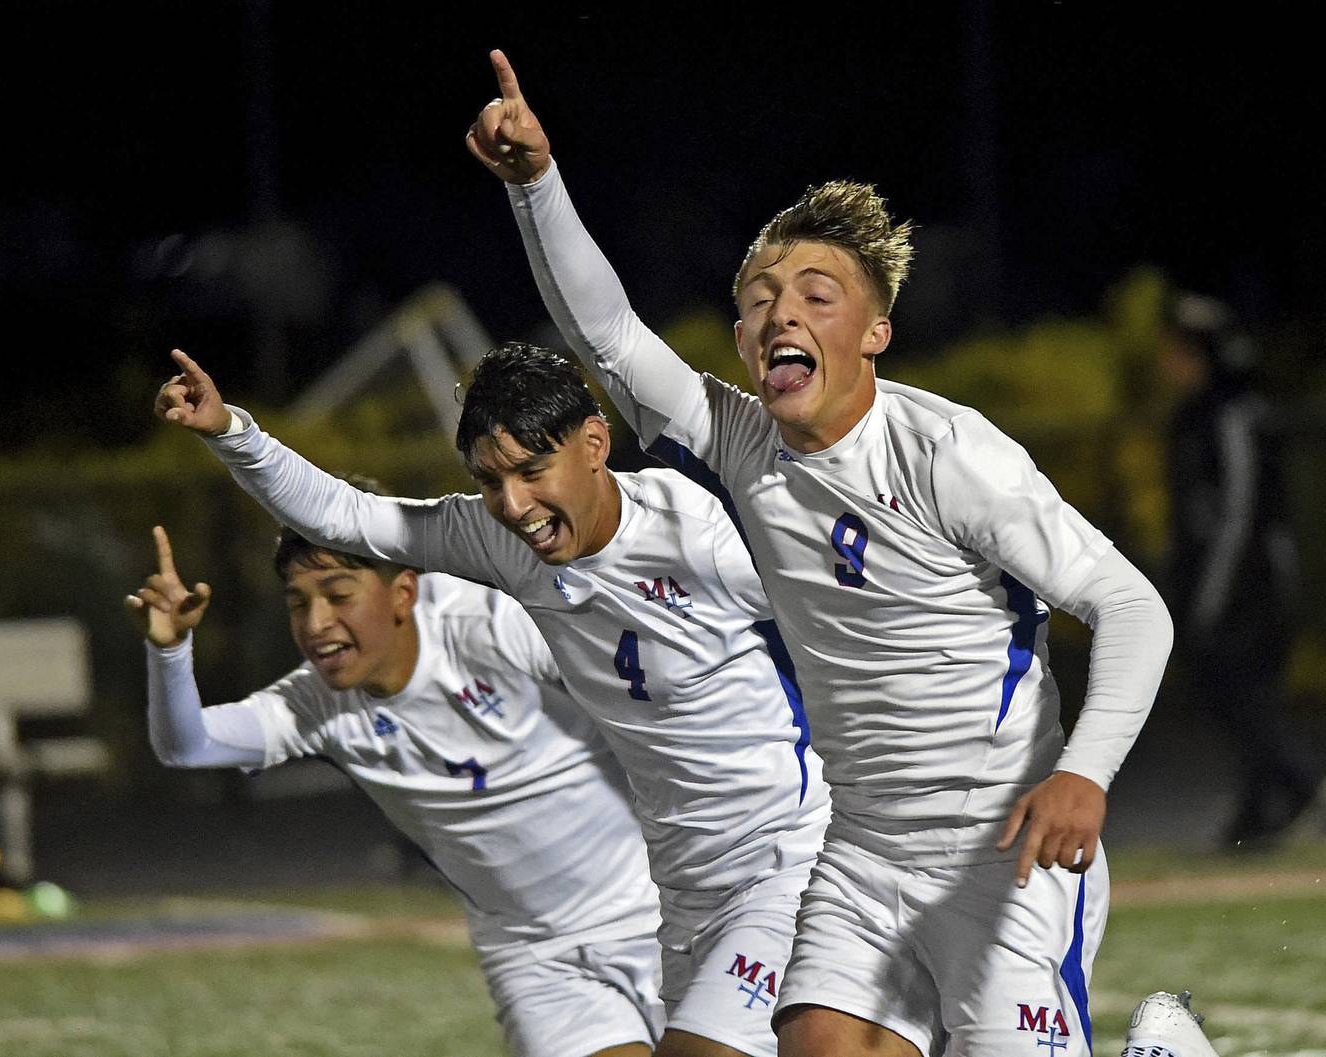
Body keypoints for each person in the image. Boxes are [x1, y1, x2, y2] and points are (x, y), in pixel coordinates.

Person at [468, 50, 1176, 1057]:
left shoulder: (949, 454)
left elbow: (1131, 603)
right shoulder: (744, 443)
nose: (780, 313)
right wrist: (536, 186)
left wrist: (1087, 774)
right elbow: (611, 336)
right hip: (864, 848)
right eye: (759, 297)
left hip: (1002, 849)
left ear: (877, 330)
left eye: (815, 293)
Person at [154, 344, 831, 1057]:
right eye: (489, 480)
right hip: (631, 916)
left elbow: (838, 625)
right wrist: (232, 432)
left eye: (531, 472)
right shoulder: (489, 557)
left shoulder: (672, 545)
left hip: (764, 867)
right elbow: (344, 517)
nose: (513, 504)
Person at [126, 521, 664, 1057]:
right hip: (540, 962)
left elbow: (644, 691)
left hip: (668, 914)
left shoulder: (488, 622)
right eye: (298, 603)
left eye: (338, 595)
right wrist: (169, 650)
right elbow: (187, 746)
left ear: (402, 592)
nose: (316, 623)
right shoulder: (313, 705)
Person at [1160, 291, 1323, 849]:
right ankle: (1256, 816)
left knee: (1243, 690)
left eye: (1178, 352)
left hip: (1249, 588)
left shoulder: (1234, 415)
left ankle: (1301, 782)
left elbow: (1240, 514)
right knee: (1224, 692)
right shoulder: (1192, 417)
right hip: (1215, 582)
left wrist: (1209, 596)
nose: (1169, 364)